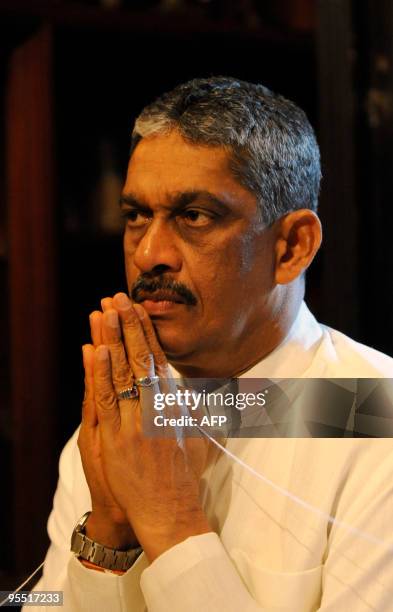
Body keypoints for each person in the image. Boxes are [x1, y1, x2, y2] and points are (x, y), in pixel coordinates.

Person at [31, 77, 393, 611]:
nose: (149, 253)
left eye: (194, 216)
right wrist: (108, 537)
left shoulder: (375, 417)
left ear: (292, 246)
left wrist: (170, 519)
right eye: (136, 216)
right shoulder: (124, 420)